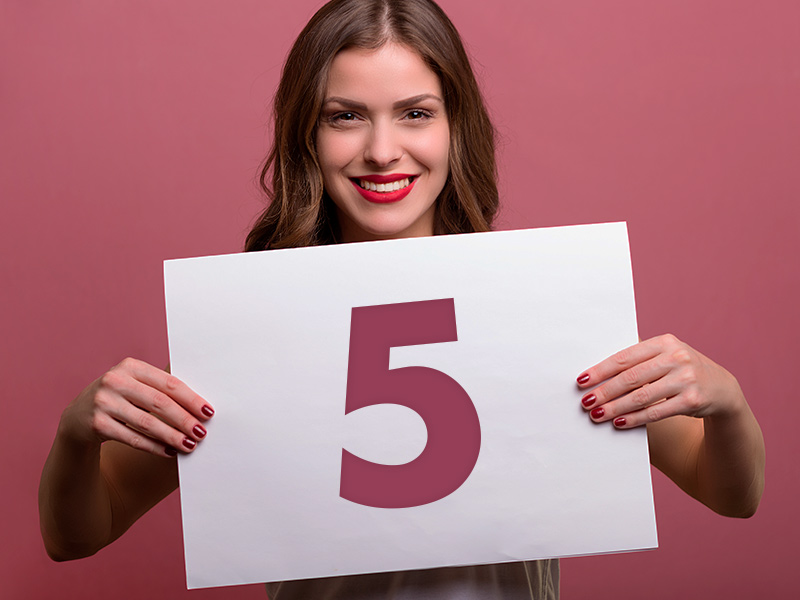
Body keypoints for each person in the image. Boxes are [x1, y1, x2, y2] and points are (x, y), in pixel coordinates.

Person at [38, 1, 765, 598]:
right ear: (306, 134)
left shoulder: (541, 304)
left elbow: (730, 493)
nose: (383, 150)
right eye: (345, 116)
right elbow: (75, 539)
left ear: (456, 126)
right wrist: (78, 432)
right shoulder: (256, 325)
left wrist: (725, 400)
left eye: (415, 113)